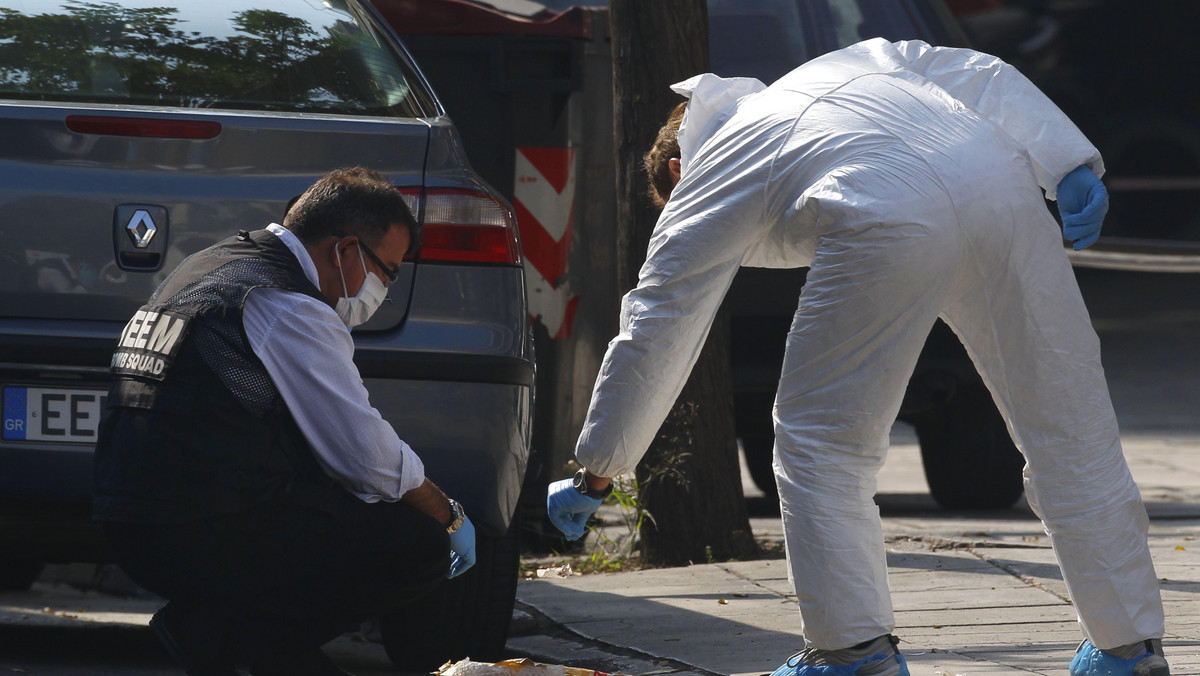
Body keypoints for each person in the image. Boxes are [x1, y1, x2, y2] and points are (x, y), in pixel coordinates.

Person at [546, 38, 1169, 676]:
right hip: (1001, 186)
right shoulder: (848, 63)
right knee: (1070, 425)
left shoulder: (714, 170)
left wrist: (597, 467)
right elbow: (972, 70)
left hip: (885, 211)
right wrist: (1065, 160)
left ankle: (852, 651)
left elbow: (657, 326)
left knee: (822, 440)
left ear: (677, 172)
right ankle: (1129, 645)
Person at [94, 167, 475, 676]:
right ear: (345, 251)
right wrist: (449, 513)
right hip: (197, 527)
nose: (383, 287)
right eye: (387, 270)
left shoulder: (211, 265)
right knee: (418, 540)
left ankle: (246, 643)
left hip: (132, 518)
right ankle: (221, 634)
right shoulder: (285, 303)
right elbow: (369, 459)